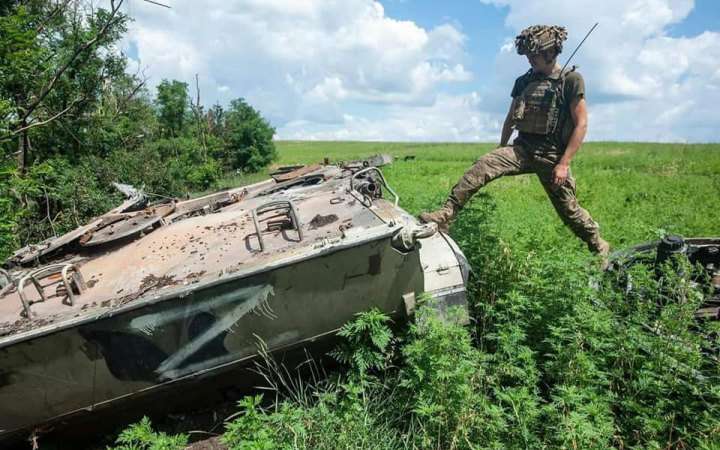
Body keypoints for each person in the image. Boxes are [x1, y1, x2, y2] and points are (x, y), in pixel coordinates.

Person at [419, 25, 610, 256]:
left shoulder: (571, 80)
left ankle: (598, 246)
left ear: (550, 53)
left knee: (569, 211)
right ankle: (445, 215)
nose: (530, 60)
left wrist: (564, 163)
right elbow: (511, 118)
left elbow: (581, 124)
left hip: (552, 156)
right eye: (528, 55)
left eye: (535, 55)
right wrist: (500, 150)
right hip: (523, 149)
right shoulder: (523, 82)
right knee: (482, 166)